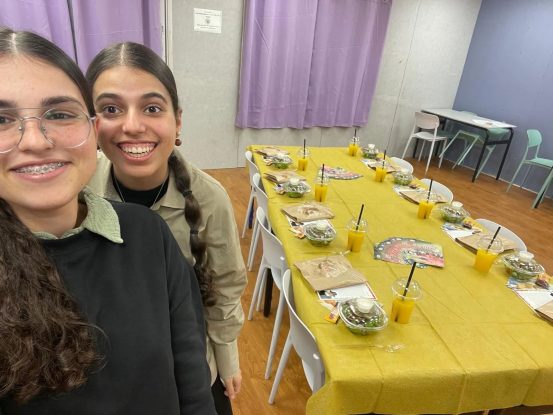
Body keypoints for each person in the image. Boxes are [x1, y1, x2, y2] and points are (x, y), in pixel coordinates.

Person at [0, 28, 216, 414]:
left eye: (59, 114)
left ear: (91, 129)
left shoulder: (149, 232)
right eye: (1, 119)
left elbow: (191, 373)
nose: (35, 140)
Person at [86, 42, 247, 414]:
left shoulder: (209, 199)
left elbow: (225, 284)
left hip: (186, 368)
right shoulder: (78, 189)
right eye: (111, 109)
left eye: (152, 108)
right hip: (108, 372)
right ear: (92, 123)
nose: (132, 125)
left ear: (178, 121)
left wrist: (227, 355)